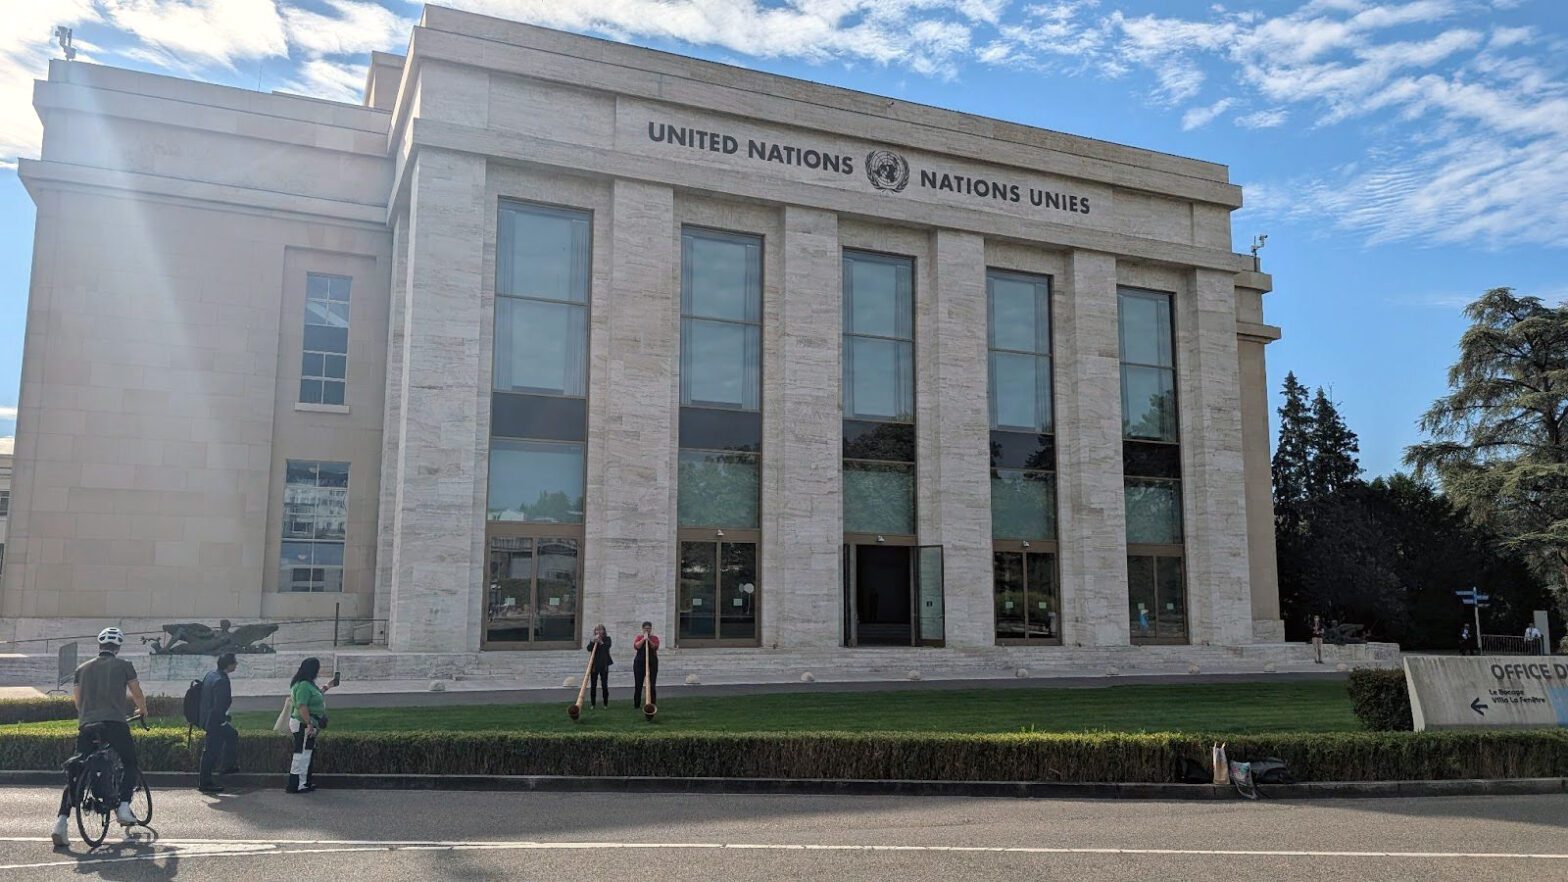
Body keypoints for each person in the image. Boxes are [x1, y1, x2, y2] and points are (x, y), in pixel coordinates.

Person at [52, 627, 149, 848]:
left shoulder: (82, 669)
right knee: (130, 762)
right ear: (118, 647)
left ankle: (61, 822)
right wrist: (142, 710)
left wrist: (87, 716)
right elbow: (136, 692)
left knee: (77, 769)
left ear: (100, 645)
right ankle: (124, 806)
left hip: (87, 724)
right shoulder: (124, 666)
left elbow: (77, 701)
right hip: (115, 723)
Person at [286, 657, 333, 794]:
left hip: (306, 723)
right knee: (301, 754)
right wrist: (309, 725)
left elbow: (316, 695)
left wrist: (328, 686)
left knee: (305, 753)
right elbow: (302, 706)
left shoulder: (306, 684)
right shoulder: (304, 686)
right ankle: (295, 784)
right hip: (303, 723)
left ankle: (302, 782)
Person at [198, 653, 240, 793]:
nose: (236, 664)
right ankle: (206, 782)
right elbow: (219, 705)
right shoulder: (221, 680)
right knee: (210, 751)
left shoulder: (211, 674)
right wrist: (222, 721)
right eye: (235, 662)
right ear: (229, 665)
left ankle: (227, 766)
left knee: (231, 735)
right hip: (215, 721)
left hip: (207, 718)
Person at [632, 622, 660, 710]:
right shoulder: (639, 637)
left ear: (651, 629)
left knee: (652, 684)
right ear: (642, 629)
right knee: (638, 684)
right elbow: (637, 646)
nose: (647, 630)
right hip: (639, 663)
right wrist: (644, 639)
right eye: (645, 628)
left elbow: (655, 647)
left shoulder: (655, 638)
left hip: (652, 663)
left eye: (649, 628)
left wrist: (649, 640)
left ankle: (652, 705)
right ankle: (637, 705)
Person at [586, 624, 613, 709]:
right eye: (597, 630)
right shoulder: (593, 640)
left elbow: (606, 647)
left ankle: (605, 704)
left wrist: (600, 641)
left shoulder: (607, 639)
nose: (598, 632)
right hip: (594, 665)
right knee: (593, 685)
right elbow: (588, 648)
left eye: (600, 630)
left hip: (604, 664)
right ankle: (593, 704)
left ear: (604, 631)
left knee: (604, 684)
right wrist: (593, 642)